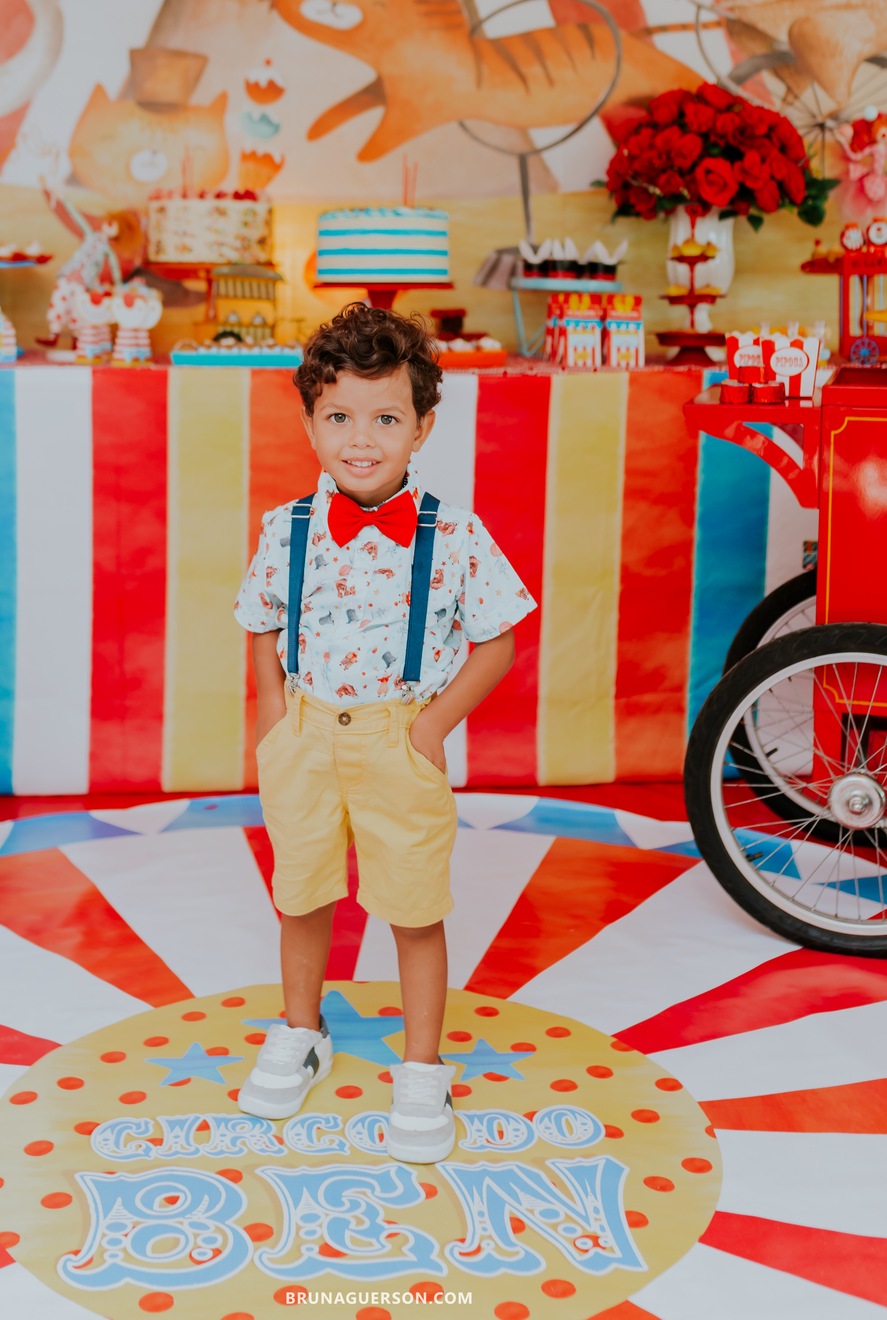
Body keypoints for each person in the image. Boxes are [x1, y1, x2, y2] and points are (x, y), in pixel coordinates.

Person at [232, 303, 535, 1164]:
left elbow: (500, 637)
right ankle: (301, 1030)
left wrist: (434, 727)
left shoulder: (453, 533)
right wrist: (271, 721)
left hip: (398, 740)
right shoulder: (285, 527)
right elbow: (260, 620)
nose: (360, 440)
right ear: (309, 422)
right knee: (302, 889)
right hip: (306, 734)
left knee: (412, 904)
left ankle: (421, 1064)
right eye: (339, 417)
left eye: (386, 417)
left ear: (422, 425)